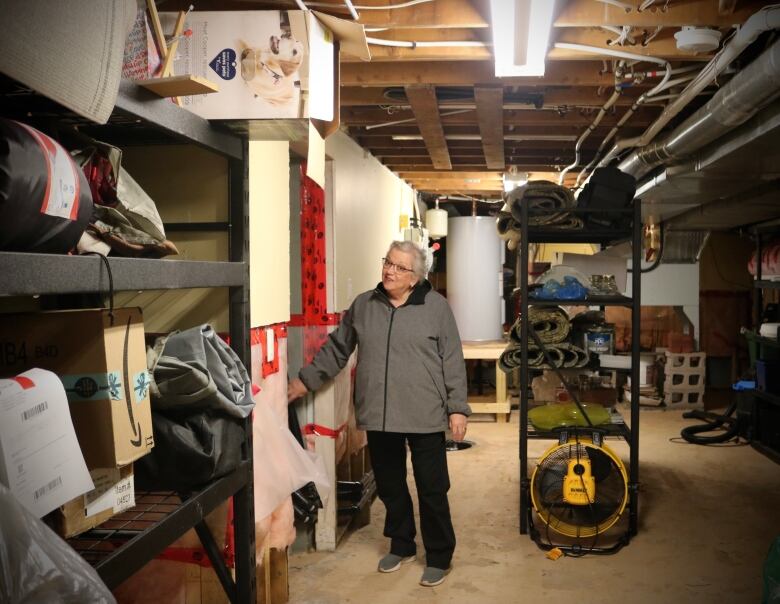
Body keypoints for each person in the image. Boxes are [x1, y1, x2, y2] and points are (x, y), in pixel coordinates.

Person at [287, 240, 470, 587]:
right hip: (380, 414)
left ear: (416, 277)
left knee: (432, 488)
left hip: (425, 414)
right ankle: (402, 544)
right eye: (388, 262)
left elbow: (452, 360)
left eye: (400, 267)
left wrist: (458, 408)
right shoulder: (364, 305)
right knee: (390, 485)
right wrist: (304, 382)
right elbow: (337, 350)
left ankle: (440, 555)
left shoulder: (436, 308)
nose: (389, 270)